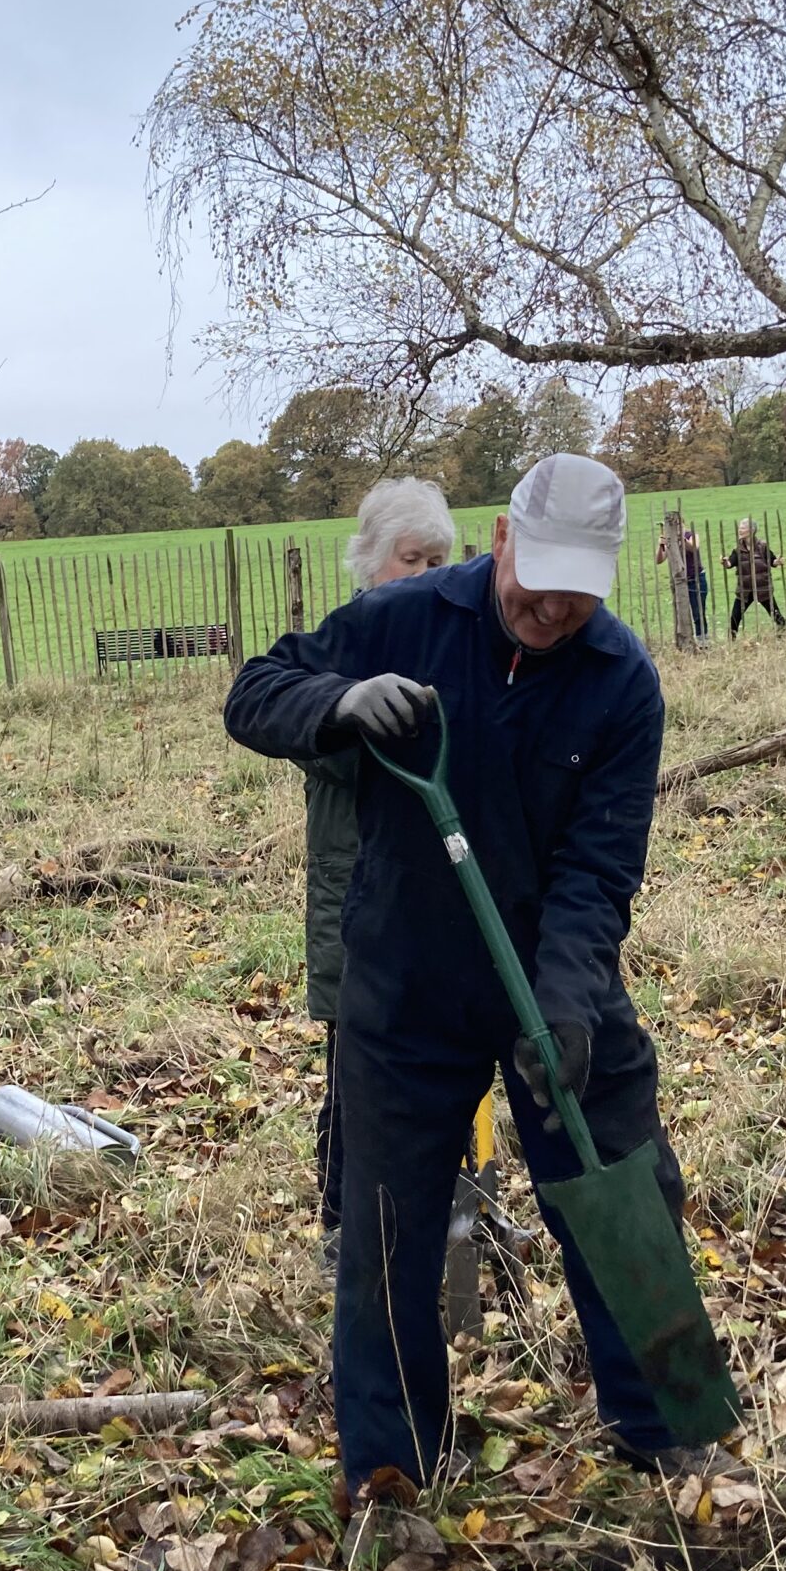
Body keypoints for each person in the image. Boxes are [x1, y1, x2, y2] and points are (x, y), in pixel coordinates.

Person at [226, 454, 731, 1506]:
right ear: (500, 538)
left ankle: (669, 1430)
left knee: (622, 1183)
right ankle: (393, 1467)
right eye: (534, 577)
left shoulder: (621, 681)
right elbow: (255, 693)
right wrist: (339, 702)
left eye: (577, 591)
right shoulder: (405, 617)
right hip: (405, 986)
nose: (550, 608)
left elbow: (600, 869)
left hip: (550, 980)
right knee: (387, 1230)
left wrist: (567, 1003)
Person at [308, 479, 456, 1270]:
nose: (427, 572)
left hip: (444, 892)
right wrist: (353, 708)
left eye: (438, 558)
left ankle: (445, 1206)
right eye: (411, 558)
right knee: (357, 1070)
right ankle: (343, 1224)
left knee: (443, 1061)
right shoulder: (345, 645)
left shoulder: (454, 643)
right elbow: (309, 738)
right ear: (370, 562)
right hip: (358, 899)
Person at [724, 518, 786, 635]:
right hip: (745, 590)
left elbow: (772, 561)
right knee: (735, 617)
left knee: (775, 614)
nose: (739, 530)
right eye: (739, 528)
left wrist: (777, 562)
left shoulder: (762, 547)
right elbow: (730, 563)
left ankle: (784, 634)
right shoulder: (738, 550)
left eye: (742, 528)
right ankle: (731, 643)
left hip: (762, 588)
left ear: (751, 530)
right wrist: (725, 562)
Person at [654, 524, 712, 639]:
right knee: (681, 614)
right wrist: (661, 545)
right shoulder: (669, 540)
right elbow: (659, 560)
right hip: (680, 582)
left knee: (698, 613)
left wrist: (681, 538)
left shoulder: (691, 535)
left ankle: (703, 641)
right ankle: (685, 641)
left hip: (696, 579)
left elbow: (694, 547)